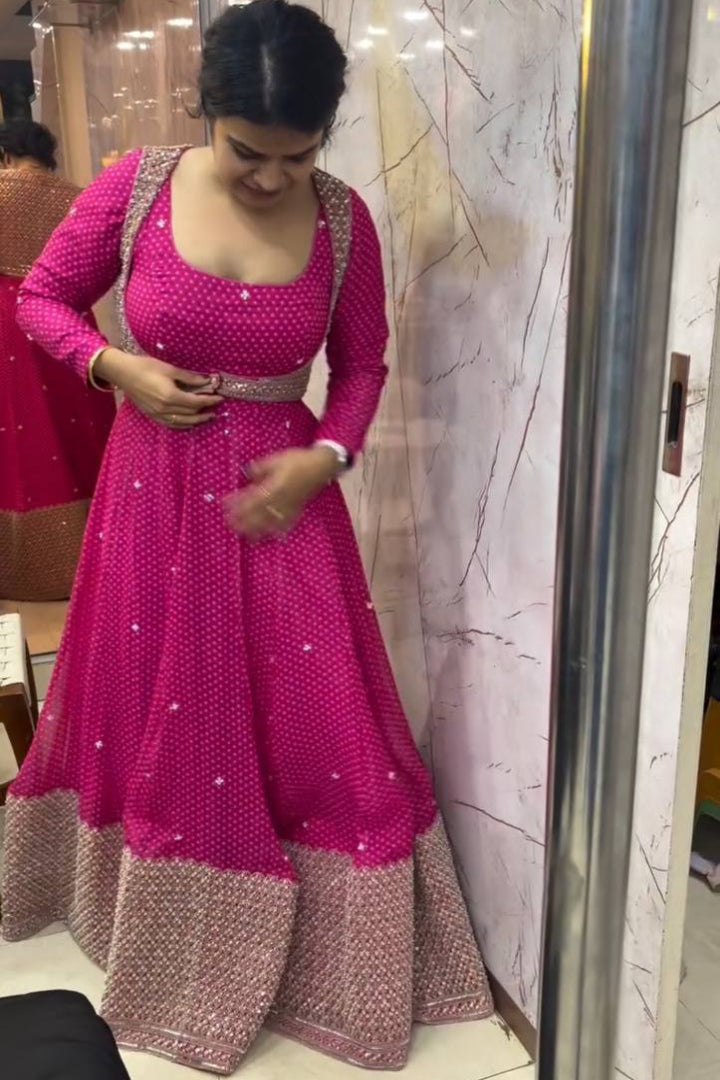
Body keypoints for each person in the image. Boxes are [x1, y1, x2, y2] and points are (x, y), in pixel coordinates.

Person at [1, 3, 492, 1074]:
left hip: (285, 498)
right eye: (248, 154)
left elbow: (362, 366)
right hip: (150, 492)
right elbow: (42, 300)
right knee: (153, 693)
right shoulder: (134, 186)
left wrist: (330, 456)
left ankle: (332, 950)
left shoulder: (344, 222)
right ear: (203, 112)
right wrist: (114, 365)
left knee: (320, 719)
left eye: (299, 155)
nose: (273, 180)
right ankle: (148, 916)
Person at [0, 120, 116, 601]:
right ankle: (96, 557)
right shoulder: (77, 197)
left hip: (5, 328)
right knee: (79, 434)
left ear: (5, 156)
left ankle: (22, 569)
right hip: (67, 328)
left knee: (16, 442)